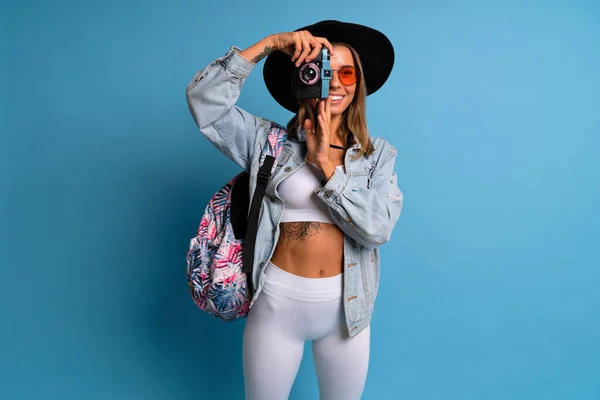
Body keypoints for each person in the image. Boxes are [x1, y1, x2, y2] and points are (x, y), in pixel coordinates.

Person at [186, 20, 403, 400]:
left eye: (346, 72)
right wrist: (269, 44)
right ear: (303, 77)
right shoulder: (268, 143)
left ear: (359, 84)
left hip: (346, 313)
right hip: (276, 305)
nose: (335, 82)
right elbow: (204, 103)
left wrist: (327, 167)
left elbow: (377, 229)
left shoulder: (377, 156)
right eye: (322, 71)